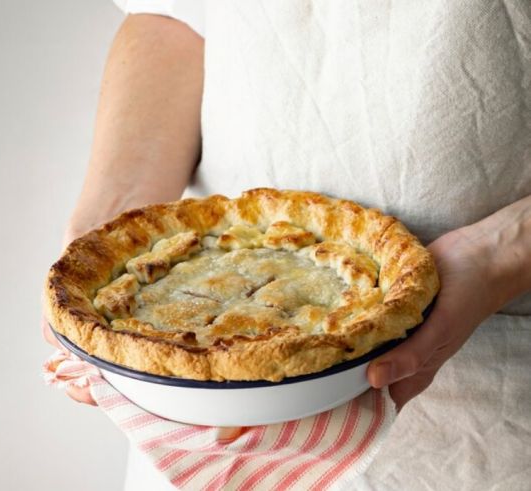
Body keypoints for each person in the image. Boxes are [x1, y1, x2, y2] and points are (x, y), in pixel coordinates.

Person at [43, 2, 531, 488]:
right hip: (195, 403)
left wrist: (501, 252)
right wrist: (110, 229)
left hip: (481, 398)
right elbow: (172, 17)